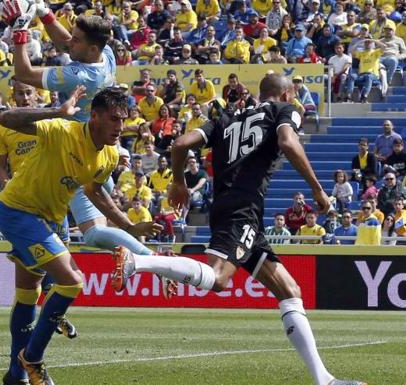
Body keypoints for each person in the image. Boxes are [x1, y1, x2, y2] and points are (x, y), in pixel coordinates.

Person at [112, 73, 366, 385]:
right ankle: (138, 262)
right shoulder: (284, 111)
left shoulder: (225, 118)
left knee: (289, 291)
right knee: (219, 278)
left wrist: (178, 182)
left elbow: (179, 144)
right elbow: (287, 141)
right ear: (287, 93)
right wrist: (316, 190)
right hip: (242, 207)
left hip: (234, 208)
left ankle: (324, 379)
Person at [0, 87, 158, 385]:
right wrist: (57, 110)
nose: (120, 127)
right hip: (18, 211)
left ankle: (15, 375)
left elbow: (95, 192)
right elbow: (6, 119)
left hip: (50, 220)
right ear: (94, 117)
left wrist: (129, 226)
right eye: (114, 120)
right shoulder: (61, 129)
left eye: (124, 120)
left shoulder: (108, 155)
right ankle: (31, 359)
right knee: (72, 281)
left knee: (28, 291)